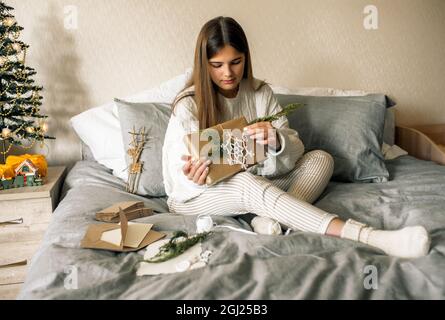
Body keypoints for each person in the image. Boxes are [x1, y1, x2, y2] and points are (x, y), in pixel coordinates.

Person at [161, 16, 430, 258]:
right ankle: (368, 236)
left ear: (247, 57)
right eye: (216, 65)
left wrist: (277, 141)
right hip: (196, 197)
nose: (227, 73)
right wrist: (193, 177)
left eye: (235, 62)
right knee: (245, 182)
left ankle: (265, 217)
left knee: (322, 159)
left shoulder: (259, 92)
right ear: (203, 64)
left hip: (259, 182)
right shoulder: (188, 104)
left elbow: (295, 152)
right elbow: (177, 180)